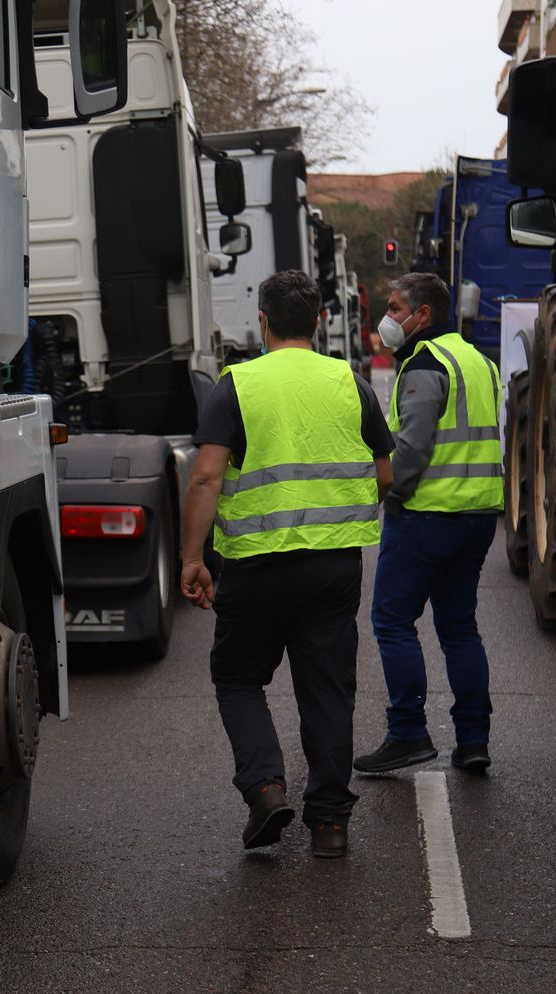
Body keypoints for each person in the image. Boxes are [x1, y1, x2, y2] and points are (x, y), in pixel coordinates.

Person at [180, 269, 394, 859]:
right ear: (322, 320)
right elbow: (383, 474)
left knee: (239, 676)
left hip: (255, 565)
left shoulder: (237, 385)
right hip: (333, 568)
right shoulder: (350, 383)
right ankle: (329, 823)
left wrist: (193, 557)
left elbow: (205, 476)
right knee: (327, 691)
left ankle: (267, 787)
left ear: (264, 321)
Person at [354, 273, 504, 776]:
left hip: (425, 514)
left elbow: (411, 449)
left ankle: (408, 734)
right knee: (459, 627)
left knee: (392, 621)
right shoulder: (480, 361)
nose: (388, 319)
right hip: (479, 517)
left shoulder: (425, 363)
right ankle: (473, 739)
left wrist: (385, 496)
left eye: (396, 309)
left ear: (423, 316)